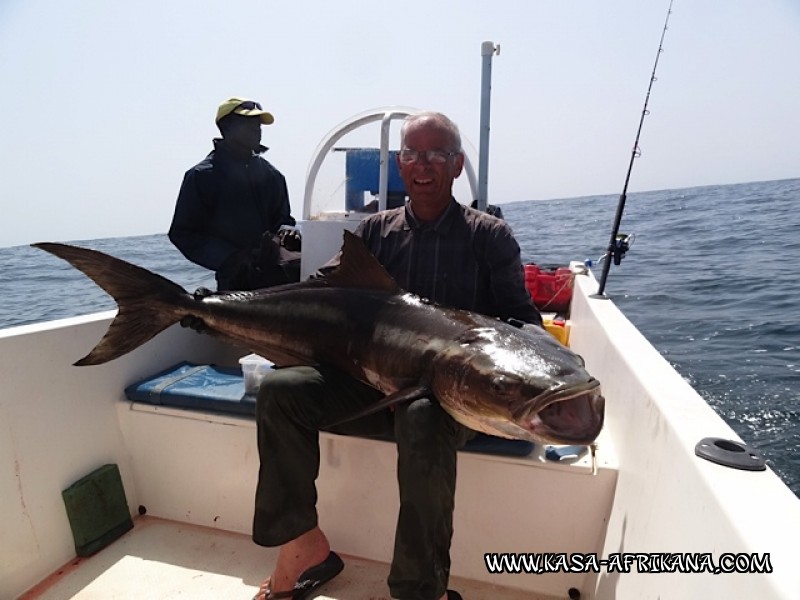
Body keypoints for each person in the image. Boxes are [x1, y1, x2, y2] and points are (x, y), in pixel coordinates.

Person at [252, 111, 542, 600]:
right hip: (373, 384)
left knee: (423, 415)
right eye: (411, 153)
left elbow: (522, 323)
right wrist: (221, 313)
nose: (422, 164)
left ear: (456, 164)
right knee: (280, 391)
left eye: (436, 154)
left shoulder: (488, 236)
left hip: (453, 401)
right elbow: (319, 301)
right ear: (398, 164)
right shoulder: (372, 235)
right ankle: (304, 548)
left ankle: (418, 591)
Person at [169, 97, 301, 291]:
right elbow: (183, 233)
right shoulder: (201, 176)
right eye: (248, 123)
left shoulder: (273, 176)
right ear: (227, 127)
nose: (257, 129)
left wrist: (287, 230)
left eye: (258, 124)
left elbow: (283, 219)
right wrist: (229, 259)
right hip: (235, 283)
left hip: (280, 281)